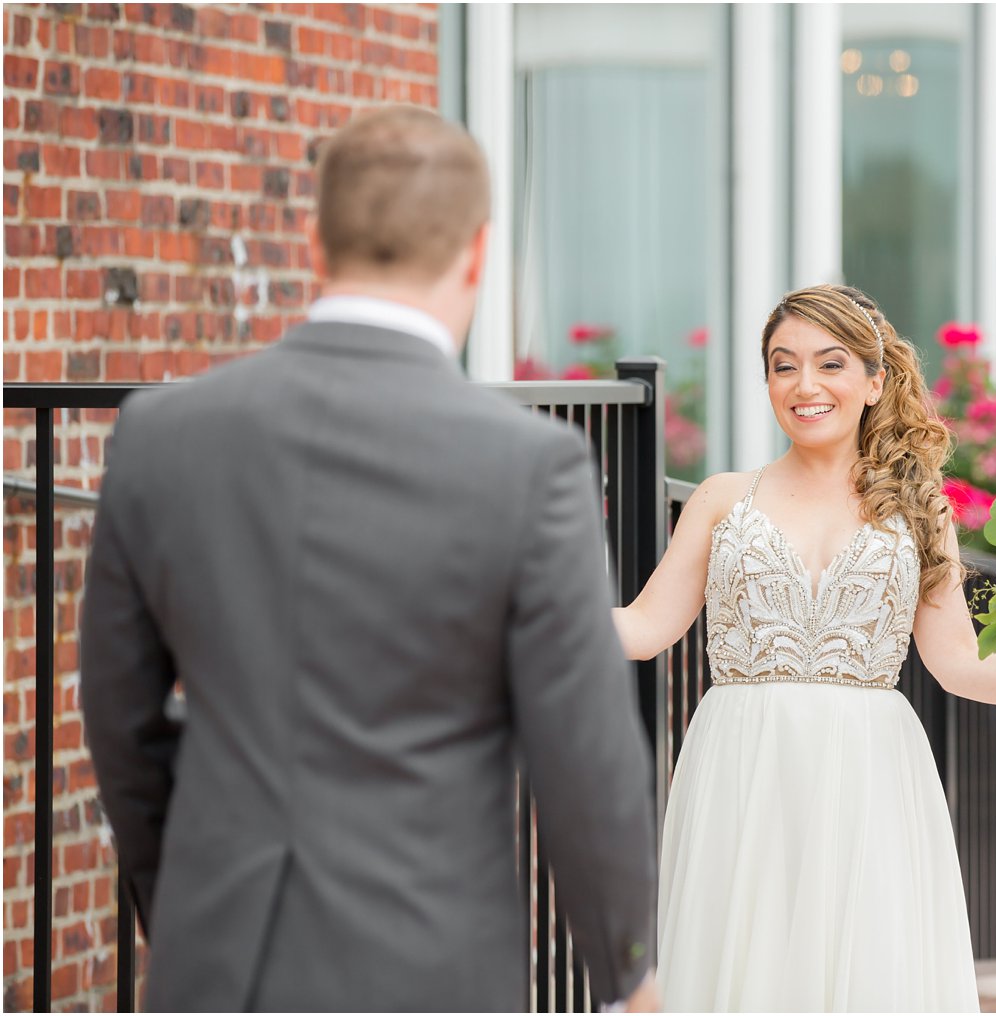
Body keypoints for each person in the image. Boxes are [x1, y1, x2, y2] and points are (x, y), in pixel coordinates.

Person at [79, 106, 659, 1012]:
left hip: (217, 960)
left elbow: (122, 722)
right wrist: (629, 972)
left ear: (314, 242)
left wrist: (189, 902)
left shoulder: (159, 436)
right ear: (477, 253)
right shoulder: (530, 464)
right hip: (431, 959)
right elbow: (583, 758)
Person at [613, 284, 996, 1011]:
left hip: (870, 769)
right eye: (783, 366)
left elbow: (952, 657)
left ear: (873, 381)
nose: (804, 385)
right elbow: (643, 627)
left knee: (868, 970)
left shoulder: (920, 508)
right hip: (742, 765)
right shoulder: (722, 500)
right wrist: (522, 613)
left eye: (830, 363)